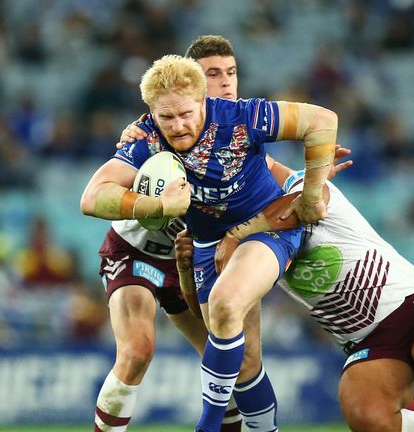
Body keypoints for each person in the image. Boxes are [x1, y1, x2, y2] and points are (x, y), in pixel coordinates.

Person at [80, 54, 338, 432]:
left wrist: (315, 181)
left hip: (202, 250)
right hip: (138, 251)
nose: (226, 83)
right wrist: (158, 205)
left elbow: (293, 185)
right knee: (137, 350)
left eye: (231, 74)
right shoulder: (147, 137)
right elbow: (91, 197)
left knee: (233, 366)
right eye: (214, 73)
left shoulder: (240, 129)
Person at [177, 163, 414, 432]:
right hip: (366, 344)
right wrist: (187, 272)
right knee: (366, 414)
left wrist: (237, 233)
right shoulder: (246, 253)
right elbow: (217, 323)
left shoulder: (305, 188)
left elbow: (306, 202)